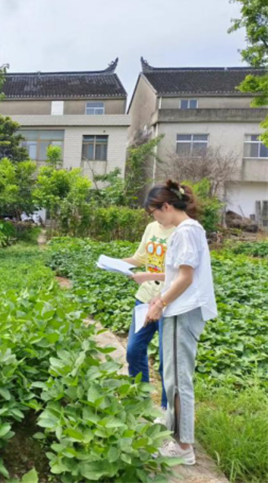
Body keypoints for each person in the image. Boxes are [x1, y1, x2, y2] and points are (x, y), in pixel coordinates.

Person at [143, 179, 218, 466]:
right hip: (181, 309)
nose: (156, 220)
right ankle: (177, 434)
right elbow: (177, 277)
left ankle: (184, 445)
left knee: (178, 379)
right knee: (173, 376)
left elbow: (186, 278)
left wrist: (161, 303)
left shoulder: (186, 231)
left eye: (154, 214)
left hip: (183, 312)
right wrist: (159, 297)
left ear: (166, 206)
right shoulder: (187, 230)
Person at [122, 219, 175, 412]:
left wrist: (148, 276)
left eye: (155, 209)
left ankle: (167, 410)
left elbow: (182, 274)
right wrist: (114, 263)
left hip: (169, 302)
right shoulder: (152, 227)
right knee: (133, 350)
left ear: (167, 206)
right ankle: (140, 400)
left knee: (167, 361)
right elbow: (139, 258)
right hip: (145, 298)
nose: (154, 215)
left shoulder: (183, 230)